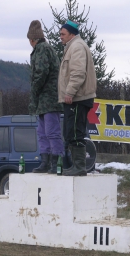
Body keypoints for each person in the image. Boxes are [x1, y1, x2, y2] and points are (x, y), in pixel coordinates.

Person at [58, 20, 97, 176]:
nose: (60, 37)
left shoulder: (77, 47)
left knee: (75, 132)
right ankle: (76, 165)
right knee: (71, 132)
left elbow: (78, 73)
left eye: (63, 34)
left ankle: (79, 167)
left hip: (77, 98)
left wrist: (69, 92)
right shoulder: (73, 47)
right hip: (76, 98)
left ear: (71, 34)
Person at [27, 20, 64, 174]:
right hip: (44, 100)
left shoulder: (42, 49)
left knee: (51, 132)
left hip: (49, 98)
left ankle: (55, 163)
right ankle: (47, 162)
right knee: (42, 132)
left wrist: (34, 90)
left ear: (32, 39)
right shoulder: (44, 48)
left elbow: (41, 72)